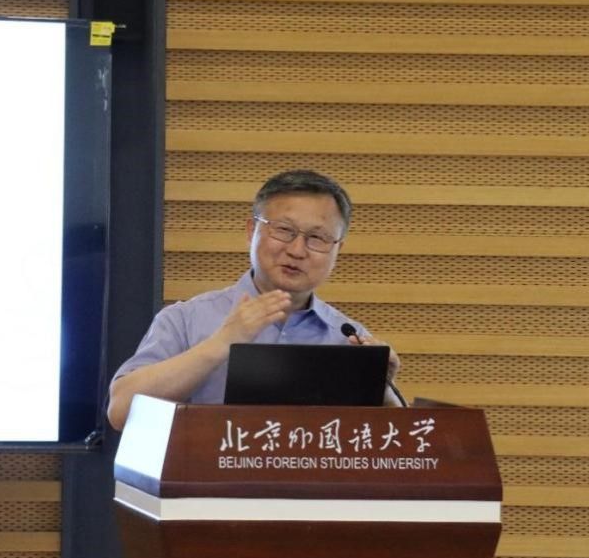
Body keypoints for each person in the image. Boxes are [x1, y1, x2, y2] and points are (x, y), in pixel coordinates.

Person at [106, 170, 402, 430]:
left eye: (317, 238)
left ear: (337, 250)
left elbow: (395, 444)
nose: (297, 250)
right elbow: (120, 411)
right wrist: (222, 342)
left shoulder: (349, 338)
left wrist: (382, 388)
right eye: (284, 230)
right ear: (252, 231)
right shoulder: (186, 319)